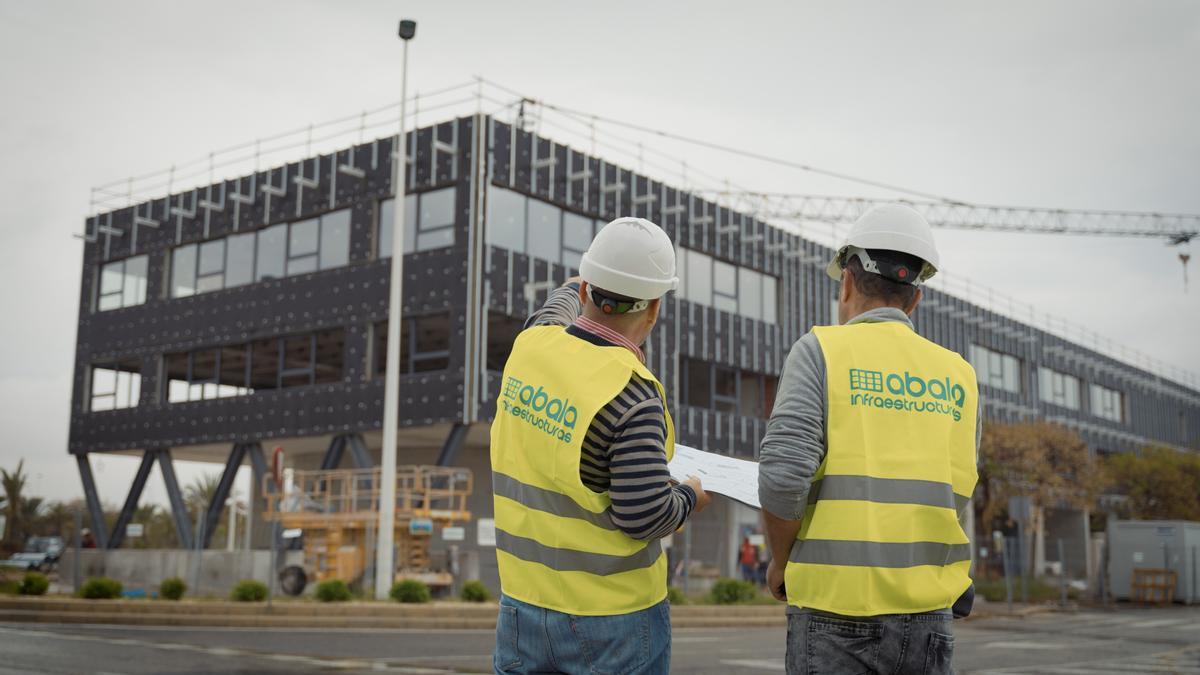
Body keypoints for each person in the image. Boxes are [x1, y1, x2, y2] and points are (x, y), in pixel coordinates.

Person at [757, 204, 981, 675]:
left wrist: (781, 562)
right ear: (915, 299)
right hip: (929, 619)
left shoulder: (820, 350)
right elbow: (957, 490)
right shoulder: (959, 375)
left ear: (846, 283)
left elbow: (782, 478)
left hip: (834, 614)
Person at [490, 217, 711, 675]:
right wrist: (690, 494)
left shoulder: (531, 344)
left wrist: (582, 281)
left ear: (587, 288)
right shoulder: (632, 396)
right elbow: (644, 515)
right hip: (612, 622)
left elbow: (558, 302)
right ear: (653, 309)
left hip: (521, 608)